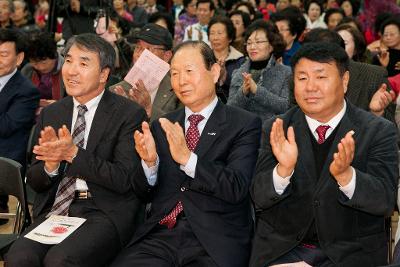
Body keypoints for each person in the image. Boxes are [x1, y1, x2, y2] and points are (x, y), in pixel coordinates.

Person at [111, 41, 261, 267]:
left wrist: (188, 159)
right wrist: (149, 165)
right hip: (162, 234)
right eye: (174, 74)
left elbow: (236, 187)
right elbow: (143, 192)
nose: (181, 81)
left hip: (214, 238)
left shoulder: (243, 124)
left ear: (214, 71)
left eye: (189, 71)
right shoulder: (164, 125)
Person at [5, 33, 150, 267]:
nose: (71, 71)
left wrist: (73, 154)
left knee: (60, 261)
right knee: (19, 257)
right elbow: (34, 180)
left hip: (103, 210)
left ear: (104, 74)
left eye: (83, 63)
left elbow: (124, 179)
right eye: (69, 61)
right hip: (57, 209)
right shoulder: (53, 113)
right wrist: (50, 167)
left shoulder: (128, 114)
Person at [250, 42, 398, 267]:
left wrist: (347, 176)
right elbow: (258, 198)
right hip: (284, 251)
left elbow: (385, 202)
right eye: (302, 78)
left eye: (321, 77)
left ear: (345, 81)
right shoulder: (276, 129)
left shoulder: (378, 131)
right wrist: (283, 171)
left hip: (351, 253)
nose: (310, 87)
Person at [299, 28, 396, 123]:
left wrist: (376, 113)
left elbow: (392, 133)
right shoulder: (298, 79)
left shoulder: (373, 76)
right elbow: (295, 122)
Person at [0, 28, 39, 223]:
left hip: (6, 158)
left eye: (3, 54)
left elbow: (6, 126)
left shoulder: (27, 91)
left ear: (19, 58)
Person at [110, 23, 181, 122]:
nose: (140, 55)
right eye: (138, 48)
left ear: (166, 56)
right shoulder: (115, 91)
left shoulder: (178, 91)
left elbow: (180, 128)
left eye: (148, 49)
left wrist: (148, 109)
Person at [228, 20, 291, 121]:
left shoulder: (286, 72)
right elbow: (230, 111)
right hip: (242, 132)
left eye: (258, 42)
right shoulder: (238, 73)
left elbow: (286, 107)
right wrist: (243, 92)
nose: (252, 47)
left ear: (271, 46)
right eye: (249, 43)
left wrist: (257, 90)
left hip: (271, 131)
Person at [21, 31, 66, 117]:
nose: (40, 67)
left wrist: (60, 104)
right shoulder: (28, 70)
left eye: (44, 62)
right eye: (34, 62)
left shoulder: (67, 69)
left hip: (60, 115)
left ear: (54, 55)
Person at [208, 15, 244, 101]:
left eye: (220, 33)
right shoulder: (203, 58)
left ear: (230, 38)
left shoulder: (240, 60)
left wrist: (224, 76)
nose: (215, 38)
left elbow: (241, 90)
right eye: (212, 33)